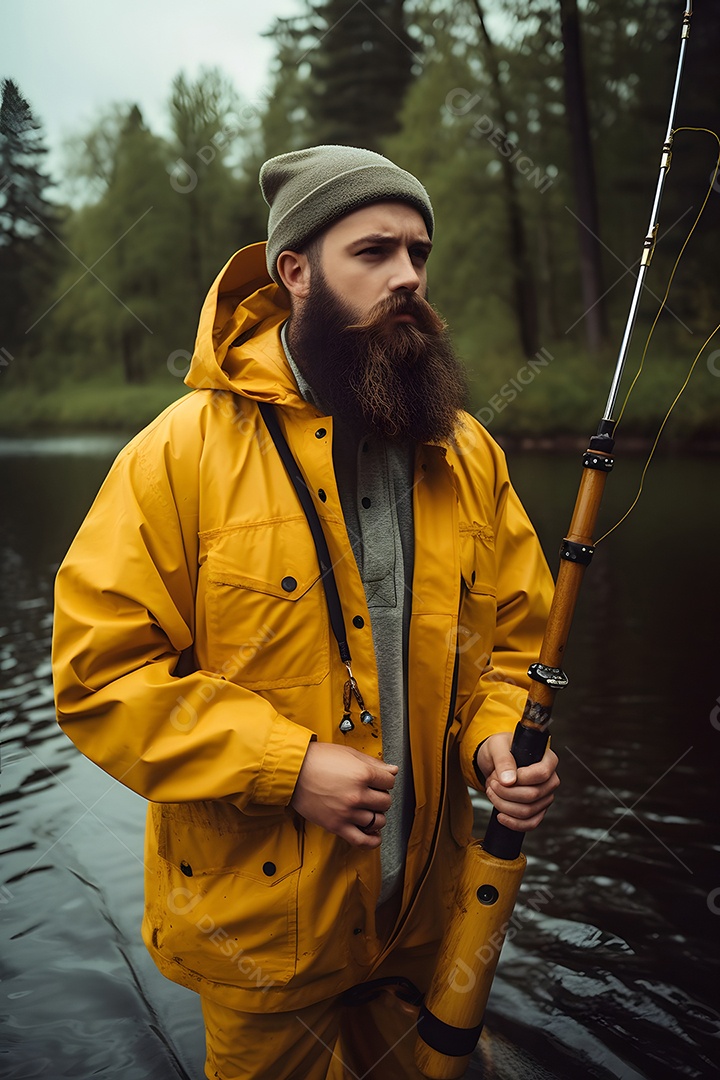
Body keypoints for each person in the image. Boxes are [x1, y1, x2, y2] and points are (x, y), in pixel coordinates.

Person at [52, 144, 559, 1080]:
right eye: (374, 251)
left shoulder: (468, 454)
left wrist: (496, 742)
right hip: (265, 945)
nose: (408, 275)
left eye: (418, 251)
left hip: (429, 924)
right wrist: (285, 766)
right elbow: (101, 677)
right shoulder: (178, 455)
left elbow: (513, 650)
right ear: (295, 272)